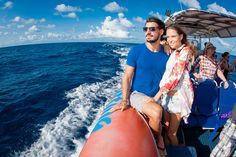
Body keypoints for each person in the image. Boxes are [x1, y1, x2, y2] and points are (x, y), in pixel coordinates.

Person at [112, 17, 169, 156]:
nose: (148, 32)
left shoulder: (168, 53)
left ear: (161, 32)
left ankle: (163, 135)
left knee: (169, 123)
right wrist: (125, 100)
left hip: (159, 94)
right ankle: (157, 143)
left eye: (152, 29)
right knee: (156, 112)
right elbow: (126, 77)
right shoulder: (136, 51)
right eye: (146, 29)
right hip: (138, 94)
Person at [153, 25, 195, 146]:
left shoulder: (186, 51)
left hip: (177, 97)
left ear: (181, 36)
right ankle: (167, 152)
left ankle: (177, 151)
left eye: (173, 36)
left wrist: (157, 95)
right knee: (165, 128)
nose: (170, 39)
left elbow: (176, 74)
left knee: (172, 133)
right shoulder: (174, 51)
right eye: (168, 36)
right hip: (167, 95)